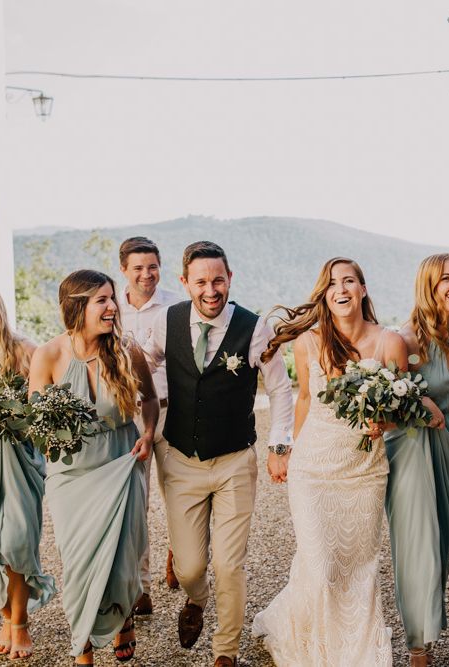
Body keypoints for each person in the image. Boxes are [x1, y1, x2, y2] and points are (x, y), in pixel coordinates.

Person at [144, 241, 293, 667]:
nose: (211, 290)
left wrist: (279, 446)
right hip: (181, 461)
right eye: (202, 282)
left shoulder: (254, 326)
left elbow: (281, 390)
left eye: (218, 280)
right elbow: (145, 362)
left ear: (230, 279)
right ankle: (197, 598)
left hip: (233, 462)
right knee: (190, 568)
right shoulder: (165, 320)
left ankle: (224, 650)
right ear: (185, 283)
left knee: (229, 564)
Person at [252, 257, 405, 666]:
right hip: (314, 469)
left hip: (364, 472)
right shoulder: (308, 342)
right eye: (333, 283)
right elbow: (304, 399)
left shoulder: (390, 343)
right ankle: (318, 650)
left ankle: (357, 650)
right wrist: (286, 449)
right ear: (325, 294)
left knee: (358, 568)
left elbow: (400, 410)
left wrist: (382, 422)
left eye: (349, 281)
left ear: (363, 289)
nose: (342, 289)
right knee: (320, 568)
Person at [28, 270, 157, 665]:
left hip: (121, 463)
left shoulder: (126, 350)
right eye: (102, 300)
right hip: (72, 476)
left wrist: (149, 434)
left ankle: (123, 618)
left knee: (123, 558)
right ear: (77, 305)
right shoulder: (49, 355)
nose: (113, 307)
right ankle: (82, 643)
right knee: (79, 560)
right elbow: (36, 422)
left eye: (112, 298)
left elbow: (150, 399)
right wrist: (51, 435)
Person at [384, 254, 449, 666]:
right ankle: (417, 646)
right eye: (446, 279)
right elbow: (386, 404)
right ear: (428, 285)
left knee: (443, 539)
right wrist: (418, 398)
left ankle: (427, 625)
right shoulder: (404, 340)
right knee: (416, 542)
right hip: (411, 447)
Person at [0, 285, 56, 661]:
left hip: (19, 459)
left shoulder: (24, 351)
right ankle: (6, 615)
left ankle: (19, 623)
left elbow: (49, 405)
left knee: (15, 541)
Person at [117, 236, 181, 609]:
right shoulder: (111, 309)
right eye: (138, 268)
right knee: (135, 502)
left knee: (179, 494)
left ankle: (180, 554)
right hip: (130, 414)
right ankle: (141, 585)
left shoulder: (176, 305)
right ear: (124, 270)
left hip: (174, 411)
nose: (146, 274)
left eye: (152, 266)